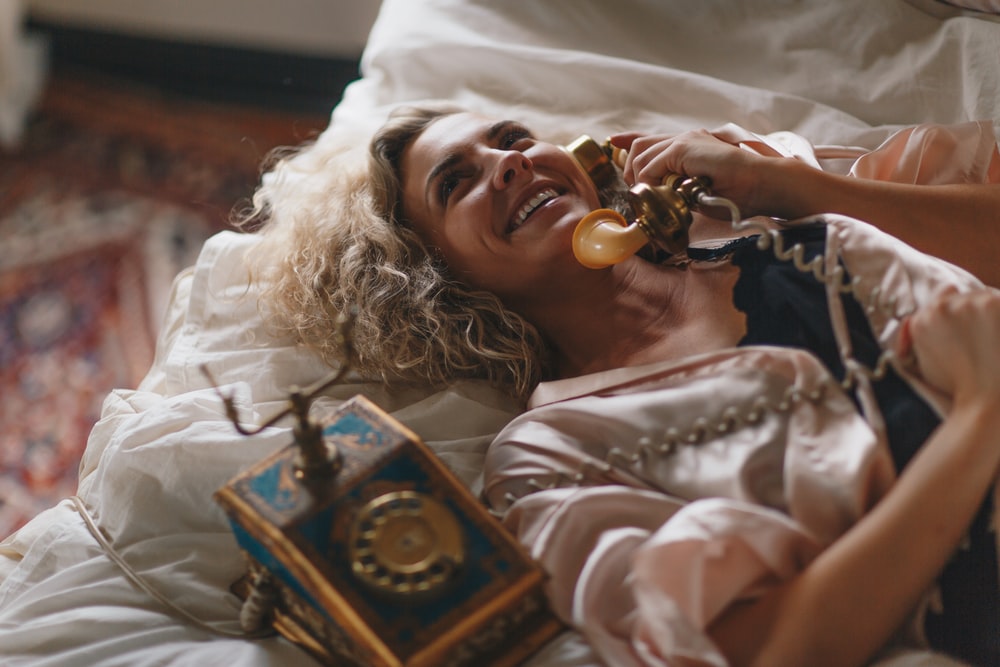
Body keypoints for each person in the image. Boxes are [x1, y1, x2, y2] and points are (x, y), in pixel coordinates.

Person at [249, 104, 1000, 666]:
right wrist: (977, 420)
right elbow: (768, 646)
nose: (507, 163)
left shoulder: (745, 200)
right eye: (458, 182)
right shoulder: (551, 457)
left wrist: (786, 182)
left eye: (510, 139)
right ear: (430, 277)